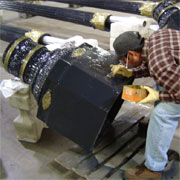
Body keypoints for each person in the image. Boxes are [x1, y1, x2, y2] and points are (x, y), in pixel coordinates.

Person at [109, 29, 180, 180]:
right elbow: (156, 67)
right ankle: (157, 137)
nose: (124, 63)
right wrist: (132, 72)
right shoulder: (156, 37)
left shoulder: (159, 65)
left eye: (124, 60)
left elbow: (161, 69)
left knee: (162, 114)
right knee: (162, 86)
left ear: (132, 54)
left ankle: (154, 169)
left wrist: (157, 96)